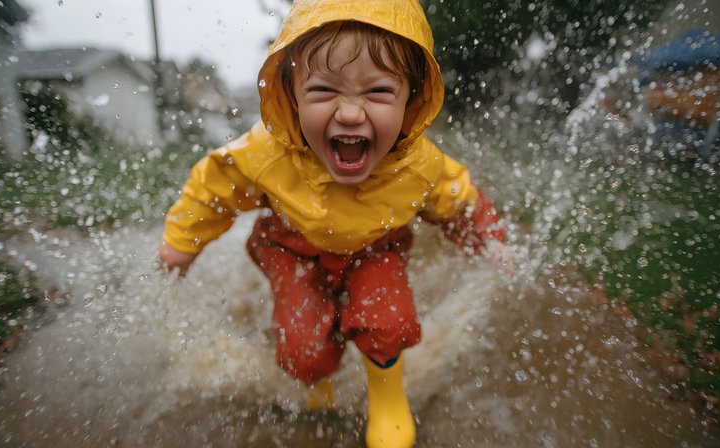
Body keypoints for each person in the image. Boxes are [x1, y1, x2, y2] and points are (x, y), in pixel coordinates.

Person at [158, 0, 510, 446]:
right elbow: (214, 187)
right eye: (323, 91)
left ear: (411, 100)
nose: (349, 113)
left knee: (388, 322)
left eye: (379, 92)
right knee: (304, 351)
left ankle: (386, 397)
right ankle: (317, 386)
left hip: (374, 248)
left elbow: (458, 202)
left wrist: (488, 241)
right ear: (291, 94)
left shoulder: (418, 166)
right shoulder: (267, 152)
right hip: (292, 247)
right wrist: (181, 245)